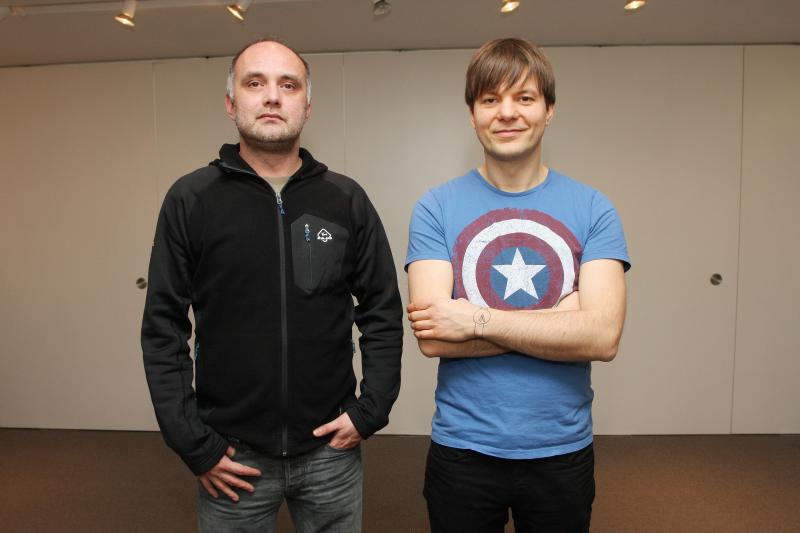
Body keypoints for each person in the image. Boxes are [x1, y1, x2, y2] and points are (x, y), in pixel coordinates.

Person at [141, 38, 403, 533]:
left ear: (307, 105)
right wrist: (194, 444)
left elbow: (382, 310)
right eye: (254, 83)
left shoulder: (345, 199)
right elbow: (163, 328)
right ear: (231, 102)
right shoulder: (191, 200)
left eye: (288, 85)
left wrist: (370, 410)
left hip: (330, 450)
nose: (272, 96)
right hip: (231, 455)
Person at [405, 38, 631, 533]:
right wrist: (562, 320)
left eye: (524, 98)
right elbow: (434, 337)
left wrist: (474, 319)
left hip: (562, 451)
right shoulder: (436, 208)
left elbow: (602, 338)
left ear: (549, 110)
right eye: (490, 99)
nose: (507, 113)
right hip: (462, 450)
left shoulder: (594, 209)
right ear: (472, 114)